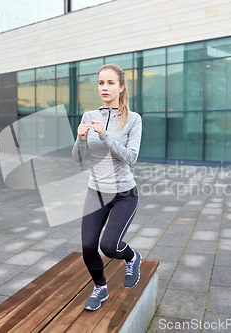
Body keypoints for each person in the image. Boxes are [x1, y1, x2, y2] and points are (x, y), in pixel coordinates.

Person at [72, 63, 142, 311]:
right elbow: (78, 157)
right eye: (101, 82)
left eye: (111, 83)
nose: (105, 87)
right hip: (96, 191)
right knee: (88, 246)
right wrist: (81, 140)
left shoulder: (133, 119)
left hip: (124, 193)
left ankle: (132, 257)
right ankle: (100, 287)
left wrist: (105, 136)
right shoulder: (88, 116)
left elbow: (131, 158)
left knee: (109, 246)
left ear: (121, 87)